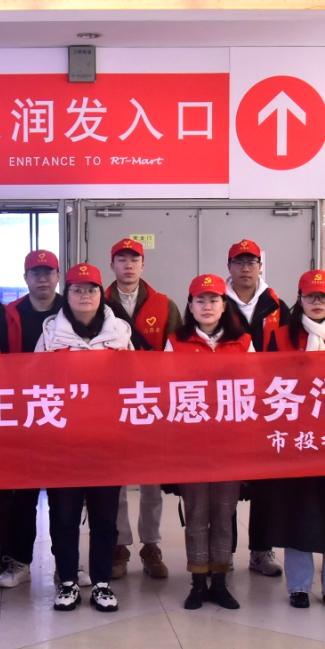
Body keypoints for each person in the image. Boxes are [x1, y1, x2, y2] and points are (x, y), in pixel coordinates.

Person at [263, 270, 325, 610]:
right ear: (300, 299)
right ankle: (299, 587)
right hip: (298, 439)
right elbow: (267, 383)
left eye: (323, 296)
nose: (317, 302)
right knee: (298, 511)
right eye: (310, 296)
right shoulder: (280, 337)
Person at [38, 263, 135, 613]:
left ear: (100, 293)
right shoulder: (51, 332)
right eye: (77, 289)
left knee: (104, 516)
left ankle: (102, 583)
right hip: (63, 441)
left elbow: (135, 379)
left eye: (91, 289)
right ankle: (67, 580)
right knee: (64, 515)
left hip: (107, 440)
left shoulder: (119, 331)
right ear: (67, 294)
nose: (84, 296)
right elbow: (35, 380)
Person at [165, 274, 251, 609]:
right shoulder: (176, 342)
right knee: (197, 513)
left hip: (231, 443)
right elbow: (164, 389)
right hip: (191, 443)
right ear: (190, 305)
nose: (207, 306)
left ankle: (221, 580)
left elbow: (255, 386)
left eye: (214, 300)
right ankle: (198, 581)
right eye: (199, 300)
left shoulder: (243, 341)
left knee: (224, 512)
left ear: (224, 305)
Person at [106, 238, 182, 580]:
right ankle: (120, 545)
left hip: (153, 403)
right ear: (112, 265)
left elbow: (178, 355)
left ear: (143, 264)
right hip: (112, 404)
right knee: (117, 481)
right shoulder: (98, 302)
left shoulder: (164, 305)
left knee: (152, 482)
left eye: (134, 259)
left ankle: (151, 545)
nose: (128, 265)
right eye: (121, 259)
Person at [0, 249, 66, 589]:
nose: (42, 278)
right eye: (35, 273)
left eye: (48, 272)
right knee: (21, 494)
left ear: (57, 276)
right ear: (25, 278)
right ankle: (17, 561)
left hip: (64, 412)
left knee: (65, 495)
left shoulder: (72, 309)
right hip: (21, 413)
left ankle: (66, 564)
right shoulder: (9, 314)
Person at [225, 239, 290, 577]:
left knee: (267, 483)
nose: (246, 268)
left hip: (269, 406)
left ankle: (261, 551)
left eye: (251, 262)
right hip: (229, 405)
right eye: (239, 262)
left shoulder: (277, 305)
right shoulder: (216, 302)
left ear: (260, 267)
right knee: (227, 483)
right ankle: (224, 552)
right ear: (229, 267)